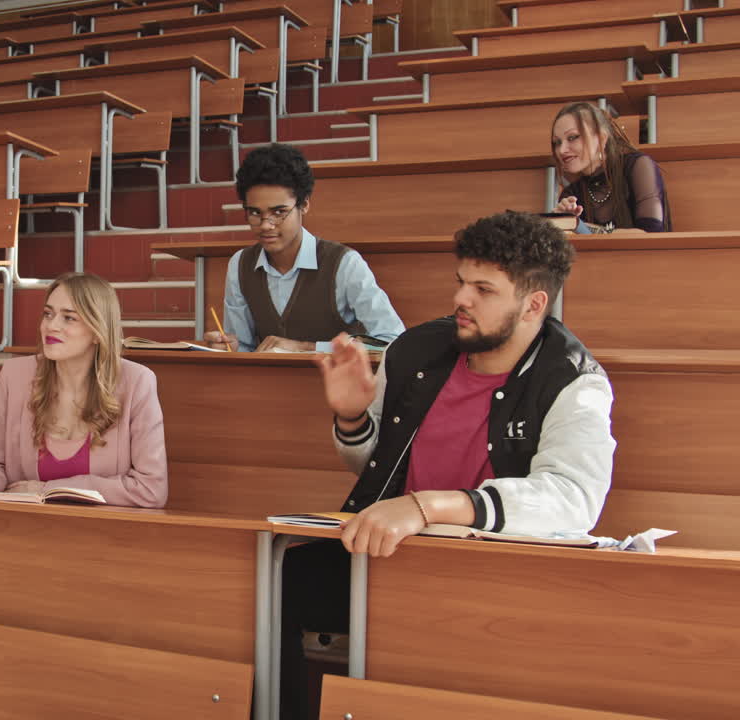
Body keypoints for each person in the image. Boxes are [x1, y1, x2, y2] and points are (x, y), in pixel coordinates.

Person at [279, 211, 616, 719]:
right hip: (383, 556)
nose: (461, 299)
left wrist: (428, 507)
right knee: (265, 588)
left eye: (483, 289)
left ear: (533, 304)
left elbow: (574, 497)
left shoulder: (574, 380)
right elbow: (373, 466)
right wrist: (352, 418)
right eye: (461, 283)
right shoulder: (414, 351)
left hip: (497, 580)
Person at [0, 272, 168, 508]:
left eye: (69, 318)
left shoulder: (138, 382)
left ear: (98, 331)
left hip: (104, 534)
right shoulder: (13, 376)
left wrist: (52, 489)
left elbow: (151, 490)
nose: (51, 326)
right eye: (48, 314)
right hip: (25, 528)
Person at [203, 143, 404, 352]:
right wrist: (231, 347)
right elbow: (245, 349)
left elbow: (392, 340)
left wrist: (306, 347)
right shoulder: (240, 264)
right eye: (254, 213)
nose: (265, 225)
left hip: (336, 383)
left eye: (279, 212)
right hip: (267, 383)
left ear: (304, 204)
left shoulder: (344, 264)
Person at [551, 101, 671, 232]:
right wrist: (562, 227)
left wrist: (581, 227)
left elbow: (651, 234)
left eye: (572, 137)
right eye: (557, 142)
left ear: (601, 138)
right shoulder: (571, 194)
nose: (561, 150)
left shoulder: (638, 166)